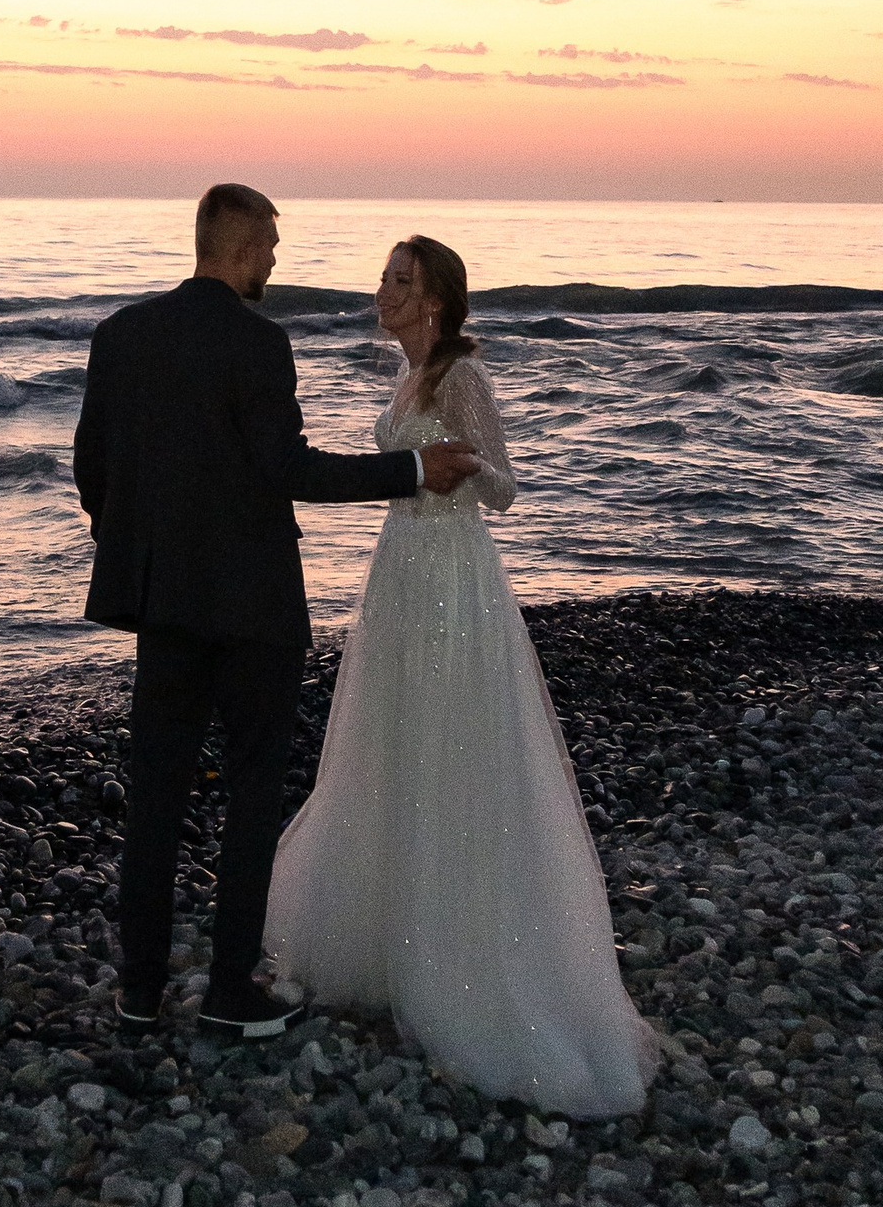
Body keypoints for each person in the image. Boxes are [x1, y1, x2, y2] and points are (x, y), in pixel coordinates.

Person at [263, 233, 661, 1116]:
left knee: (453, 738)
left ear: (435, 298)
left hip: (451, 570)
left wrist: (466, 468)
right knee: (393, 734)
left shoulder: (461, 377)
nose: (382, 290)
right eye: (382, 277)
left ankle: (469, 951)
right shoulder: (406, 377)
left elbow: (507, 489)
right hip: (399, 568)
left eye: (399, 280)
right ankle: (389, 929)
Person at [72, 183, 481, 1037]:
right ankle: (230, 994)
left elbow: (92, 472)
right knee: (252, 795)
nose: (273, 261)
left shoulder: (121, 335)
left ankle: (139, 991)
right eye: (268, 246)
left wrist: (146, 552)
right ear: (239, 245)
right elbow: (288, 469)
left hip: (163, 605)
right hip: (253, 607)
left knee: (156, 797)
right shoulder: (258, 343)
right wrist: (411, 472)